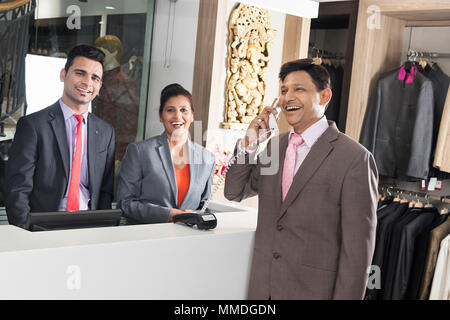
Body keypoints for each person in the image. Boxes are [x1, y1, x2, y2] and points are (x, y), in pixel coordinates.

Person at [224, 58, 378, 299]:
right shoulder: (274, 147)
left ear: (324, 97)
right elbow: (234, 191)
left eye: (299, 89)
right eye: (284, 90)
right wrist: (249, 145)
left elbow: (357, 254)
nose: (288, 98)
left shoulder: (355, 159)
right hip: (263, 291)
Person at [4, 44, 116, 229]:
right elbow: (17, 189)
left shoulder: (106, 132)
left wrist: (102, 229)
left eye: (95, 78)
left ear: (100, 86)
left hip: (89, 227)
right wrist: (27, 231)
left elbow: (105, 191)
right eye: (80, 73)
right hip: (43, 229)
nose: (87, 83)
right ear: (63, 75)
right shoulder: (33, 125)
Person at [116, 83, 215, 224]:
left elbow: (205, 205)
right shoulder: (139, 152)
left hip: (189, 240)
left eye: (184, 110)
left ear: (192, 116)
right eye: (170, 110)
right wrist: (169, 215)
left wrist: (194, 216)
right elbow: (125, 203)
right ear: (161, 116)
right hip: (148, 238)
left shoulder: (207, 158)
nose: (177, 116)